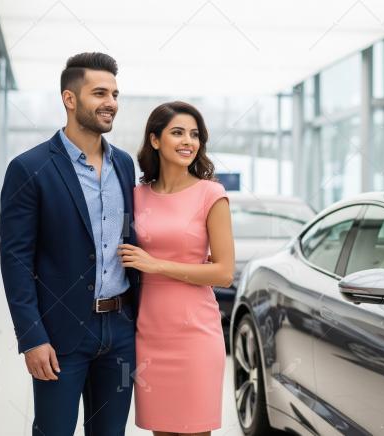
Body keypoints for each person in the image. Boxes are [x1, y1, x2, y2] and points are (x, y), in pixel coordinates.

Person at [0, 52, 139, 436]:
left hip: (120, 330)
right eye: (99, 92)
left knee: (111, 433)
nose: (111, 102)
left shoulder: (125, 165)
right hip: (59, 334)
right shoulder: (29, 168)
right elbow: (15, 260)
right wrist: (32, 337)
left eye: (114, 93)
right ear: (70, 99)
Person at [118, 101, 234, 436]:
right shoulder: (135, 196)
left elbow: (224, 272)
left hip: (196, 335)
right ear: (155, 140)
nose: (188, 141)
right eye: (178, 132)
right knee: (162, 431)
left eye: (195, 135)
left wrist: (156, 265)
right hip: (150, 334)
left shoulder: (211, 194)